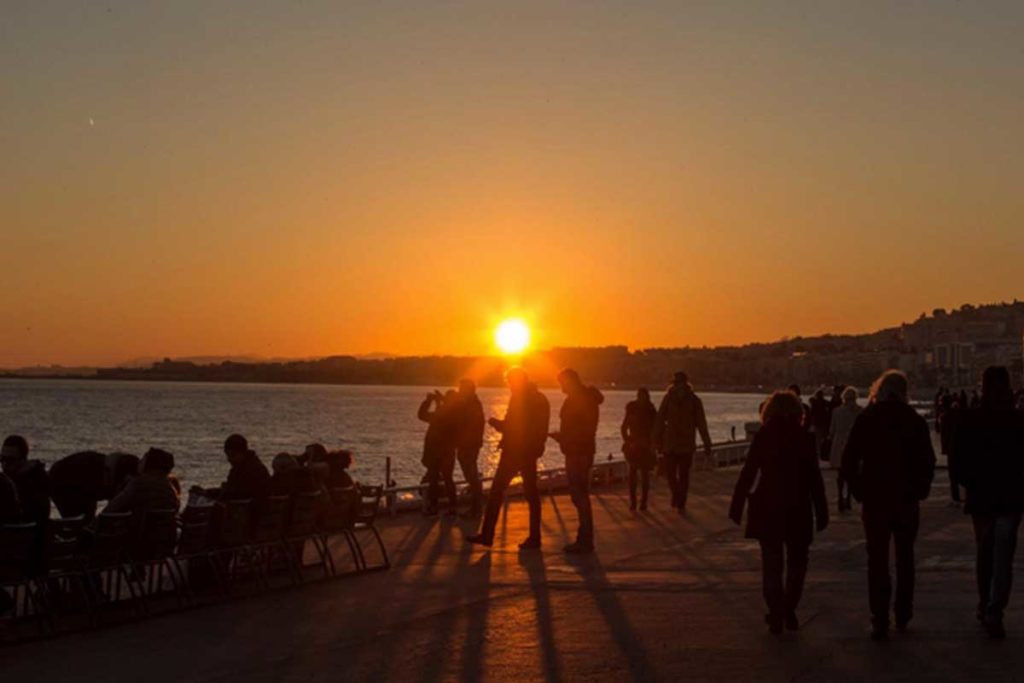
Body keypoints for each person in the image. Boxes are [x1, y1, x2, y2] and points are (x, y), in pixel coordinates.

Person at [841, 370, 936, 640]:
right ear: (904, 392)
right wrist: (920, 490)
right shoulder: (914, 421)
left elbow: (848, 461)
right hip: (906, 500)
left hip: (876, 500)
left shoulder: (867, 418)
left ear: (879, 390)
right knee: (905, 557)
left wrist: (860, 492)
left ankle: (879, 617)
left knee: (877, 560)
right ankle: (903, 612)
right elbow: (927, 461)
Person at [729, 390, 829, 634]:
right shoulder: (804, 438)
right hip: (798, 507)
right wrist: (822, 510)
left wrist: (737, 504)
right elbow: (814, 478)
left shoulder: (764, 435)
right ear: (798, 413)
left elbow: (749, 471)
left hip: (768, 505)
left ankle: (775, 612)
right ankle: (789, 609)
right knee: (797, 562)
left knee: (771, 563)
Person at [950, 366, 1024, 639]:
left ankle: (985, 603)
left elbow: (957, 460)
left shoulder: (969, 419)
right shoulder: (1018, 420)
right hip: (1012, 499)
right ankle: (995, 609)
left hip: (981, 498)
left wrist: (968, 485)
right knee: (1003, 556)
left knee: (985, 552)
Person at [468, 367, 550, 549]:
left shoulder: (522, 399)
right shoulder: (540, 398)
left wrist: (496, 424)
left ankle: (488, 534)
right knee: (532, 494)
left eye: (511, 383)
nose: (510, 387)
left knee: (497, 491)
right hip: (530, 451)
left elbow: (514, 426)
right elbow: (539, 428)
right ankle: (534, 537)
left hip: (515, 451)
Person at [549, 368, 604, 554]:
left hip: (578, 451)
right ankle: (585, 536)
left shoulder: (578, 400)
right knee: (580, 495)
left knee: (579, 494)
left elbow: (581, 429)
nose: (561, 387)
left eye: (562, 383)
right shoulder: (585, 399)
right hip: (580, 449)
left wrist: (563, 437)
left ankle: (585, 538)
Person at [653, 372, 712, 513]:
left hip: (678, 444)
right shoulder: (671, 399)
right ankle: (679, 497)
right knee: (675, 474)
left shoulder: (692, 401)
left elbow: (701, 423)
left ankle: (679, 498)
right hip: (676, 444)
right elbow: (660, 419)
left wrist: (707, 443)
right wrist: (655, 438)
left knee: (677, 474)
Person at [49, 451, 140, 521]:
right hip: (65, 480)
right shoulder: (93, 475)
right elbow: (112, 509)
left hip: (77, 475)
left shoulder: (121, 471)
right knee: (81, 522)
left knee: (83, 522)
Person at [104, 448, 181, 515]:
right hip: (165, 530)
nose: (139, 462)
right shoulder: (171, 488)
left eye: (143, 459)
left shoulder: (139, 484)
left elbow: (113, 508)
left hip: (139, 530)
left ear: (148, 463)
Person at [418, 390, 459, 516]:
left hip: (437, 451)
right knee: (446, 479)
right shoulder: (455, 414)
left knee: (435, 480)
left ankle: (434, 506)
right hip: (447, 451)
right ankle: (452, 506)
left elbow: (422, 415)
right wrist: (437, 402)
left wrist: (429, 401)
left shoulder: (444, 415)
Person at [621, 388, 658, 511]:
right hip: (633, 446)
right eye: (639, 396)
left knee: (644, 474)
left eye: (643, 396)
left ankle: (643, 502)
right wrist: (628, 440)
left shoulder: (651, 411)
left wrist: (652, 443)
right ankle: (633, 501)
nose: (641, 398)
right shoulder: (632, 409)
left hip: (645, 447)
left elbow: (655, 429)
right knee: (633, 474)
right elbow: (624, 427)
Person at [0, 435, 50, 525]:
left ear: (23, 460)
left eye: (10, 460)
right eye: (2, 459)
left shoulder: (33, 485)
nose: (5, 464)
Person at [828, 387, 862, 513]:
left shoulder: (837, 411)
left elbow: (832, 430)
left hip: (839, 443)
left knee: (840, 474)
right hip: (854, 444)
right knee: (851, 473)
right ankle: (848, 498)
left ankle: (840, 499)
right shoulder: (860, 411)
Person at [455, 379, 486, 517]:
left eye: (462, 388)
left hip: (469, 444)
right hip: (468, 443)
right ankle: (476, 506)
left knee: (471, 474)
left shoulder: (472, 404)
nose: (459, 390)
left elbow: (470, 424)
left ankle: (476, 507)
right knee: (470, 473)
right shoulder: (470, 403)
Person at [216, 434, 271, 503]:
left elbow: (241, 494)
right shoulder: (239, 468)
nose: (229, 459)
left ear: (242, 453)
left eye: (233, 455)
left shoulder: (253, 470)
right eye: (228, 455)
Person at [809, 388, 832, 460]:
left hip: (817, 424)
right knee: (824, 441)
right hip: (823, 424)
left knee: (818, 441)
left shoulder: (814, 403)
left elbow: (811, 414)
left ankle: (819, 455)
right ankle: (824, 454)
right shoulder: (825, 403)